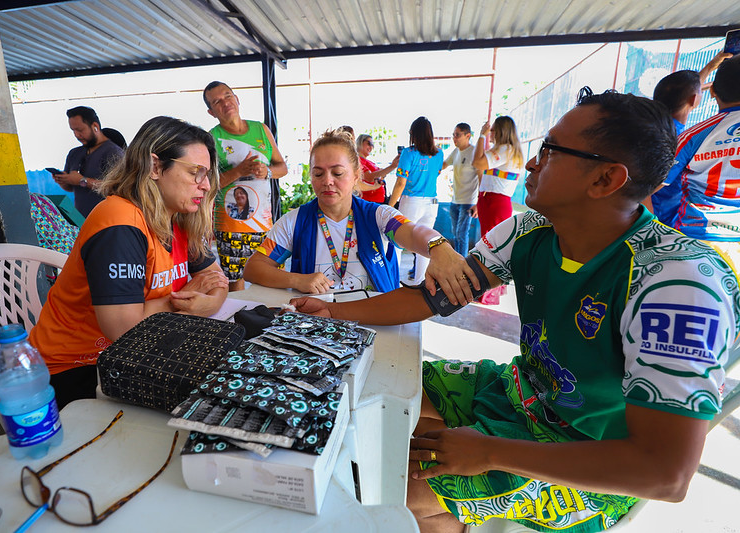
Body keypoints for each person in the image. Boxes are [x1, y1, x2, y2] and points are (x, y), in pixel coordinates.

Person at [290, 88, 740, 533]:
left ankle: (444, 507)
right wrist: (332, 315)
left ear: (605, 179)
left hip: (586, 455)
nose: (530, 162)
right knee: (372, 394)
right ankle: (450, 508)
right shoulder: (528, 230)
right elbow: (431, 297)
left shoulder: (677, 283)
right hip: (518, 393)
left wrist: (489, 452)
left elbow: (664, 473)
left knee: (386, 480)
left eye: (549, 150)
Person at [29, 116, 229, 408]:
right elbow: (124, 330)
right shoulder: (120, 222)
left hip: (140, 349)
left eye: (208, 175)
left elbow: (217, 280)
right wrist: (186, 305)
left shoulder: (179, 218)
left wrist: (206, 302)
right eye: (196, 173)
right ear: (155, 166)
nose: (206, 186)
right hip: (73, 367)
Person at [244, 129, 462, 294]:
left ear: (357, 175)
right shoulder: (294, 222)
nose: (327, 181)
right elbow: (253, 268)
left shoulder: (378, 216)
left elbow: (412, 233)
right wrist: (296, 280)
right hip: (317, 326)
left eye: (337, 173)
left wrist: (438, 246)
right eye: (318, 174)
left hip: (374, 321)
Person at [651, 53, 740, 267]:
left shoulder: (689, 136)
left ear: (713, 92)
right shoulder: (678, 133)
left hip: (692, 239)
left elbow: (646, 190)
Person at [202, 81, 288, 291]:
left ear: (237, 99)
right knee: (235, 287)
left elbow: (282, 167)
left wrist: (267, 171)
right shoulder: (211, 139)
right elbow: (207, 183)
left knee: (273, 281)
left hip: (265, 225)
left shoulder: (261, 129)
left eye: (228, 96)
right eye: (217, 101)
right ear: (211, 112)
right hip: (231, 227)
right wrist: (239, 171)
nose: (225, 103)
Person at [472, 116, 524, 304]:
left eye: (493, 130)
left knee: (492, 247)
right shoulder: (508, 150)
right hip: (493, 200)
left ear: (501, 131)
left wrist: (481, 137)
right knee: (494, 245)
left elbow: (477, 163)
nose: (491, 133)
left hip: (495, 201)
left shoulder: (505, 150)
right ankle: (491, 290)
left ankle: (489, 292)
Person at [388, 116, 444, 283]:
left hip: (411, 201)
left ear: (413, 134)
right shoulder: (439, 153)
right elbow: (436, 174)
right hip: (432, 203)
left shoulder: (408, 153)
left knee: (396, 241)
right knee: (425, 245)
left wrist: (390, 206)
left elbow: (400, 183)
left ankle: (393, 282)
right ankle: (420, 282)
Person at [52, 106, 124, 217]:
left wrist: (82, 180)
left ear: (95, 126)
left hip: (108, 220)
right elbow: (71, 187)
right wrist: (64, 180)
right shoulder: (74, 154)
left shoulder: (113, 153)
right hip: (81, 222)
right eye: (73, 130)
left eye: (80, 130)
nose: (76, 135)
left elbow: (117, 189)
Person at [653, 51, 732, 134]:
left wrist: (711, 66)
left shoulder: (655, 124)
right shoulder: (676, 138)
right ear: (693, 100)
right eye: (701, 91)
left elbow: (690, 88)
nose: (702, 90)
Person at [442, 123, 480, 255]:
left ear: (467, 135)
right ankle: (458, 261)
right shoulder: (456, 151)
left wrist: (478, 203)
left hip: (468, 201)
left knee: (461, 235)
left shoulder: (475, 152)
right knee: (456, 235)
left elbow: (482, 178)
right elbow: (443, 165)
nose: (454, 138)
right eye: (453, 135)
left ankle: (462, 264)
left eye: (457, 135)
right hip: (455, 201)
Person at [356, 133, 399, 203]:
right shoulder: (358, 160)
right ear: (360, 142)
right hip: (370, 202)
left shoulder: (369, 162)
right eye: (369, 143)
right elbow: (369, 177)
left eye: (372, 145)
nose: (371, 147)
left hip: (377, 200)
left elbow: (377, 176)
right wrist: (392, 166)